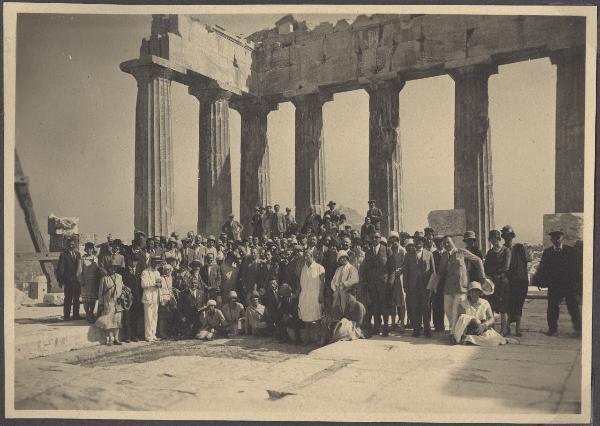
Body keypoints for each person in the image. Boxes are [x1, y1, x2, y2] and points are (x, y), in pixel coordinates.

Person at [532, 230, 582, 336]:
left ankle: (579, 329)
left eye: (559, 238)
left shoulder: (571, 251)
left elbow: (576, 268)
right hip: (554, 285)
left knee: (573, 306)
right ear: (552, 240)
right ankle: (552, 329)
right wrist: (539, 281)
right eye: (555, 238)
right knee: (552, 307)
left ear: (562, 238)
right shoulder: (547, 252)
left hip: (569, 285)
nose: (557, 240)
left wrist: (576, 284)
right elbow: (543, 268)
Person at [438, 236, 485, 339]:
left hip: (461, 287)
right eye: (444, 243)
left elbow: (477, 260)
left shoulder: (461, 252)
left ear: (453, 242)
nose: (446, 245)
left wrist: (482, 277)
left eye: (448, 242)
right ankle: (455, 329)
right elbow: (440, 272)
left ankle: (453, 334)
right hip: (448, 287)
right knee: (447, 309)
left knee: (456, 310)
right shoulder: (444, 255)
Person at [453, 282, 507, 346]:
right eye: (472, 291)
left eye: (477, 291)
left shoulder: (485, 303)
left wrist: (484, 325)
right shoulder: (463, 304)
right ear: (469, 293)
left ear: (480, 293)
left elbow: (491, 318)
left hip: (481, 328)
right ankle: (466, 338)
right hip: (467, 329)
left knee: (493, 340)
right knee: (467, 319)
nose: (475, 294)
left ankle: (471, 340)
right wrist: (475, 322)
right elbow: (462, 320)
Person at [403, 236, 436, 337]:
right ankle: (416, 329)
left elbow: (433, 272)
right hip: (413, 286)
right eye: (416, 241)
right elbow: (406, 272)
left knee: (426, 308)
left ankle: (427, 330)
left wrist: (431, 287)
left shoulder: (429, 254)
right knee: (415, 307)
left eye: (420, 241)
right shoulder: (408, 255)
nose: (418, 243)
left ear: (423, 243)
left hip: (425, 286)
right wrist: (406, 286)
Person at [501, 225, 530, 337]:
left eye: (509, 236)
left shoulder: (519, 248)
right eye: (505, 236)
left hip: (520, 281)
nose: (508, 238)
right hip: (508, 282)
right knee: (508, 305)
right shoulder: (502, 249)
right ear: (503, 237)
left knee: (518, 305)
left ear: (512, 236)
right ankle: (507, 328)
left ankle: (518, 328)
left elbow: (524, 263)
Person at [484, 230, 511, 335]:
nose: (494, 241)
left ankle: (504, 330)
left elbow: (506, 267)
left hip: (503, 283)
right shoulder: (490, 252)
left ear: (499, 239)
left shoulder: (506, 251)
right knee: (491, 306)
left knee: (503, 307)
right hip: (492, 284)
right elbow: (486, 267)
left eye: (496, 238)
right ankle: (492, 329)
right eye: (491, 239)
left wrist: (495, 274)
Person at [364, 232, 390, 336]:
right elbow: (366, 269)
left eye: (376, 237)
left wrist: (390, 281)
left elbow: (391, 267)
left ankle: (386, 326)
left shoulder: (387, 250)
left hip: (384, 283)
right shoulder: (368, 252)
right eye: (372, 237)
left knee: (384, 305)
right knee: (375, 305)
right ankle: (377, 326)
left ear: (380, 239)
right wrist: (367, 282)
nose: (374, 239)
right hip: (372, 284)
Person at [298, 250, 325, 343]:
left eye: (307, 256)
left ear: (312, 256)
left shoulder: (319, 267)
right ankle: (308, 338)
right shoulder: (303, 268)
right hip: (305, 295)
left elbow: (322, 283)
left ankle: (319, 338)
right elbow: (302, 283)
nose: (305, 258)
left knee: (317, 317)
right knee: (306, 317)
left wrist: (321, 294)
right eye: (304, 256)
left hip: (315, 294)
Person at [95, 263, 125, 345]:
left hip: (117, 302)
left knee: (117, 321)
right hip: (108, 302)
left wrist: (122, 296)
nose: (113, 269)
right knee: (109, 321)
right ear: (108, 269)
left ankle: (116, 338)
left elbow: (122, 288)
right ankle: (110, 339)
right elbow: (100, 292)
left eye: (114, 268)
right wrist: (101, 304)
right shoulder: (104, 279)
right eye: (111, 268)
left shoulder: (119, 277)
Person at [56, 237, 82, 321]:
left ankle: (76, 315)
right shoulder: (63, 255)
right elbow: (60, 269)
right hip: (68, 281)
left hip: (77, 281)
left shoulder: (78, 254)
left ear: (75, 245)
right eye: (70, 244)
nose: (71, 245)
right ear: (67, 245)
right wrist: (61, 281)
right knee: (68, 299)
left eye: (73, 244)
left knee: (76, 299)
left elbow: (80, 267)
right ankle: (66, 316)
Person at [330, 250, 360, 321]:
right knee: (336, 310)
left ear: (347, 258)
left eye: (344, 257)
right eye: (340, 258)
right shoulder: (338, 269)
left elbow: (355, 279)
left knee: (347, 311)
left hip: (348, 292)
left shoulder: (352, 268)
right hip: (337, 292)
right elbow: (333, 281)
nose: (342, 259)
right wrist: (335, 289)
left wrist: (344, 284)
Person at [77, 242, 101, 323]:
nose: (89, 250)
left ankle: (91, 313)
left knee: (93, 299)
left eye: (91, 249)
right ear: (85, 250)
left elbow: (98, 270)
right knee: (86, 299)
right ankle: (87, 313)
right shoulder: (82, 259)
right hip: (86, 282)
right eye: (88, 249)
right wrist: (81, 281)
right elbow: (79, 272)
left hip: (94, 282)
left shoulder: (96, 259)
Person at [387, 231, 407, 331]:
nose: (394, 243)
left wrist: (401, 270)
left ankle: (402, 324)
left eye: (395, 240)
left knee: (402, 302)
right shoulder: (389, 250)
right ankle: (393, 323)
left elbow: (406, 264)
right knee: (392, 302)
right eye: (392, 241)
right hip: (392, 279)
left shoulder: (403, 251)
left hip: (400, 279)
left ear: (398, 240)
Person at [140, 256, 163, 342]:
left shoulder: (157, 272)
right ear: (151, 262)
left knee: (154, 316)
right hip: (148, 296)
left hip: (155, 296)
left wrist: (160, 285)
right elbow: (143, 284)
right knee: (148, 317)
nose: (156, 264)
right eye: (155, 262)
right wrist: (154, 284)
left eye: (158, 263)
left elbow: (160, 283)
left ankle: (153, 334)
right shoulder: (145, 272)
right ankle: (148, 336)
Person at [431, 235, 446, 331]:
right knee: (436, 304)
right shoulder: (433, 254)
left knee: (444, 304)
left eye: (440, 242)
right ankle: (437, 324)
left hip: (445, 282)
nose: (438, 244)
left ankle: (442, 324)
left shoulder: (446, 253)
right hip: (436, 281)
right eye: (436, 243)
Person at [157, 263, 175, 339]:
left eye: (169, 270)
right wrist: (161, 299)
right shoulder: (160, 278)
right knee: (162, 317)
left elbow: (170, 289)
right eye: (166, 270)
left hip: (170, 298)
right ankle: (161, 333)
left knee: (169, 316)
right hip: (163, 298)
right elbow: (159, 289)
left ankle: (167, 332)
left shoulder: (171, 278)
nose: (167, 271)